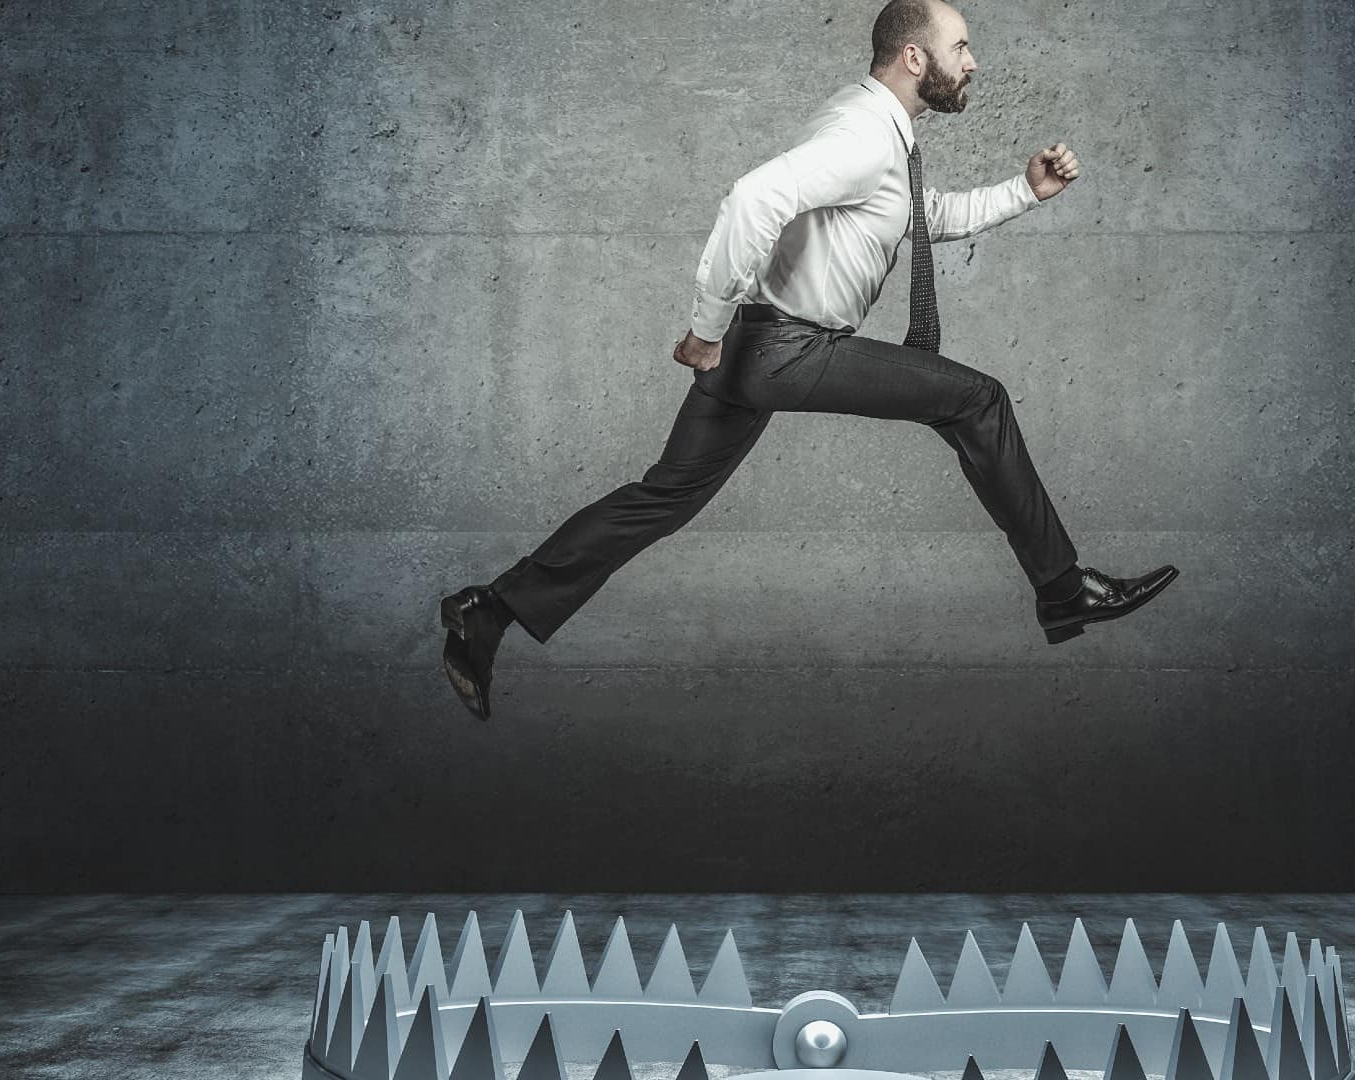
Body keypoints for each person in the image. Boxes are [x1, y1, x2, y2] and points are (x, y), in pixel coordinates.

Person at [439, 0, 1177, 720]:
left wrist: (1025, 190)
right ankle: (1061, 587)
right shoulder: (864, 135)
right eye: (961, 47)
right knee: (977, 400)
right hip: (785, 348)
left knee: (662, 497)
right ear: (914, 57)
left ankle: (491, 611)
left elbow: (916, 216)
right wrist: (705, 326)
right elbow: (753, 198)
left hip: (758, 351)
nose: (973, 61)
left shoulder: (869, 127)